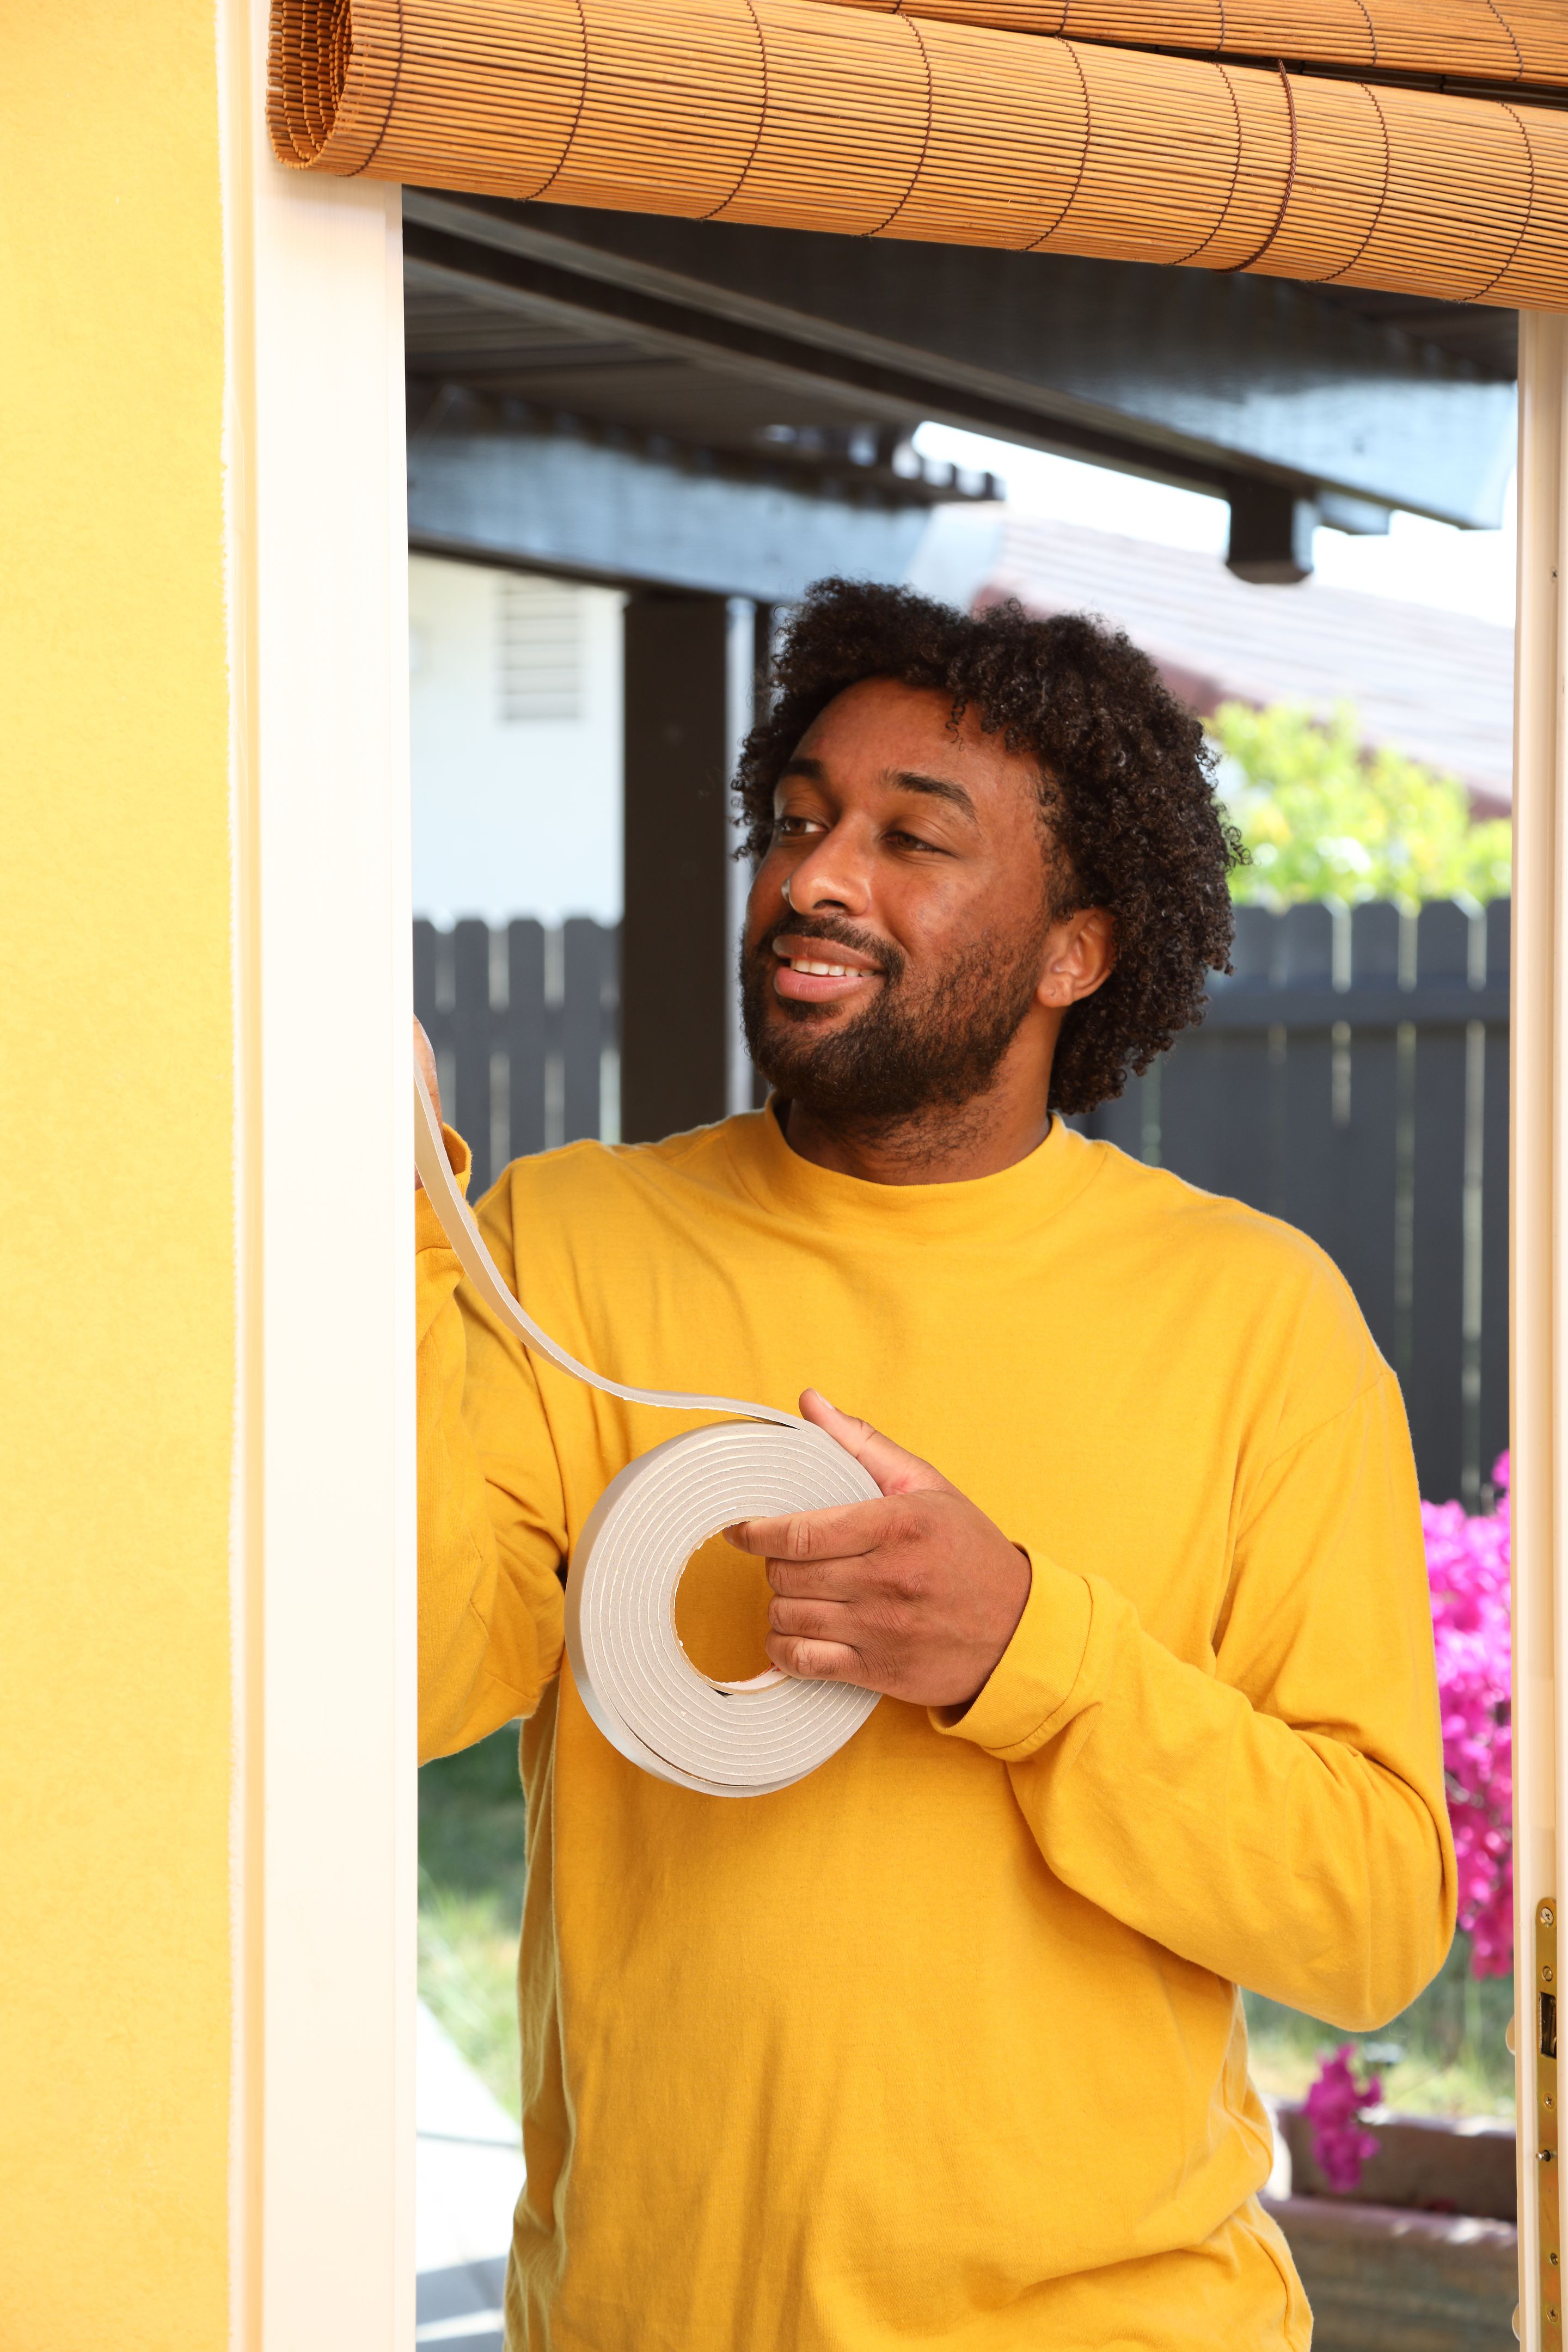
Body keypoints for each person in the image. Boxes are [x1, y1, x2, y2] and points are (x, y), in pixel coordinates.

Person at [415, 579, 1454, 2352]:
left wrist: (1024, 1651)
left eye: (912, 838)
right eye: (799, 817)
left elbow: (1367, 1922)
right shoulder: (568, 1244)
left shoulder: (1256, 1319)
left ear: (1075, 952)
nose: (816, 877)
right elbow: (419, 1683)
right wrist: (392, 1232)